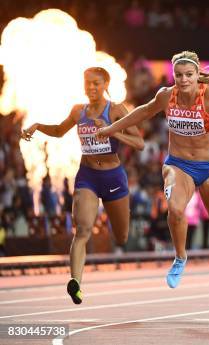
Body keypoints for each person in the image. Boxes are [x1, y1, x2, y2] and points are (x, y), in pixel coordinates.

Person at [96, 51, 209, 308]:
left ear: (198, 76)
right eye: (178, 75)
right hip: (178, 165)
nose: (183, 80)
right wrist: (111, 128)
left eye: (188, 75)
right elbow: (142, 112)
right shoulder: (166, 96)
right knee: (174, 209)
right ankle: (180, 256)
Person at [21, 67, 144, 304]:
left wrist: (111, 131)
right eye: (87, 83)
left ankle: (88, 267)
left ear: (106, 84)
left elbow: (139, 143)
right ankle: (75, 282)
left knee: (121, 237)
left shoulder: (117, 110)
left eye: (96, 83)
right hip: (88, 176)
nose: (91, 88)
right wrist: (37, 126)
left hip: (113, 177)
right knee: (83, 230)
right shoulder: (79, 111)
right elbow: (58, 131)